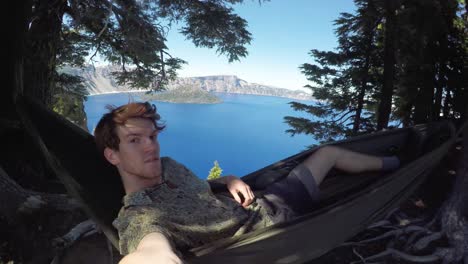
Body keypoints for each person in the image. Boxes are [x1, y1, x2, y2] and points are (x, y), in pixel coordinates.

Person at [93, 102, 400, 264]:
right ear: (112, 156)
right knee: (328, 157)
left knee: (327, 153)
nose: (151, 147)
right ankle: (405, 170)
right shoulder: (138, 213)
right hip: (279, 222)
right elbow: (151, 249)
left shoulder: (169, 167)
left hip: (265, 200)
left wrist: (226, 179)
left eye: (152, 137)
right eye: (134, 140)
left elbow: (196, 187)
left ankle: (402, 161)